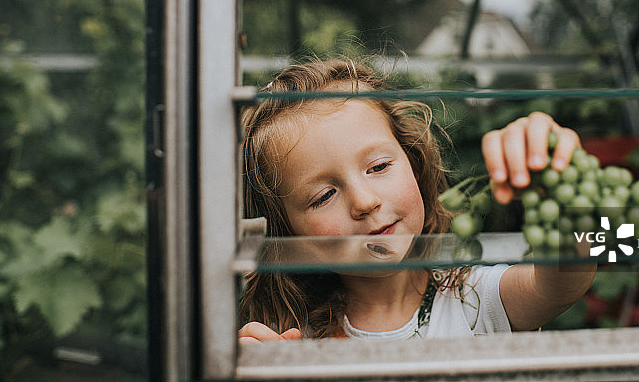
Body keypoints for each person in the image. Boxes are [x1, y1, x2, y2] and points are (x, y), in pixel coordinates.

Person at [238, 58, 596, 343]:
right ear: (285, 229)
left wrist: (568, 195)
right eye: (324, 195)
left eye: (378, 166)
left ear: (414, 162)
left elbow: (563, 281)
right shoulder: (293, 341)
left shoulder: (476, 298)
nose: (365, 201)